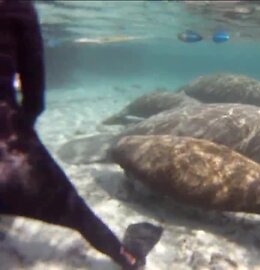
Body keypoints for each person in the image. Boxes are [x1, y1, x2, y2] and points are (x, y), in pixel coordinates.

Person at [0, 1, 158, 269]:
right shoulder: (17, 7)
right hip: (9, 143)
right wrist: (20, 138)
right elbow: (34, 98)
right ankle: (128, 257)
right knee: (79, 216)